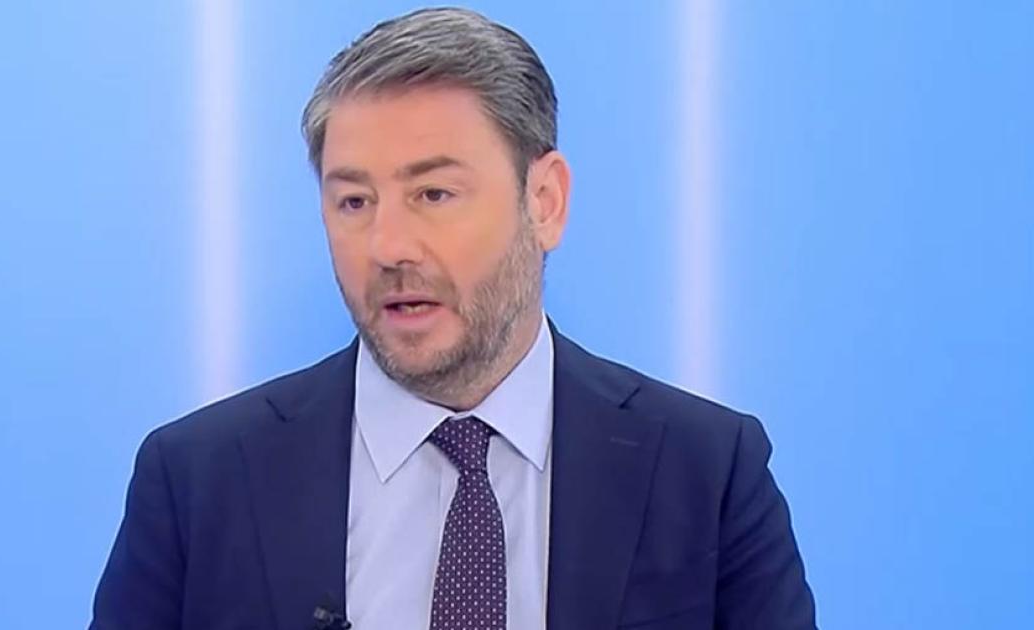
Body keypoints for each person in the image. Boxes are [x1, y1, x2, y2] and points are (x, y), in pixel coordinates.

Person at [90, 7, 817, 630]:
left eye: (433, 194)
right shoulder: (199, 480)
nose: (388, 247)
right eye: (354, 201)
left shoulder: (706, 472)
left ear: (545, 202)